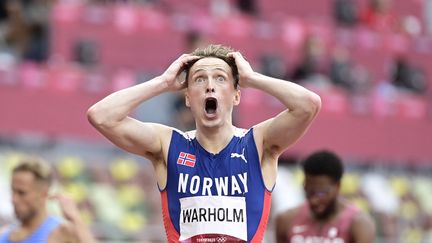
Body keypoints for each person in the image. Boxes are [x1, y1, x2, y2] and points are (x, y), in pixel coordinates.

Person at [87, 44, 321, 242]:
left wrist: (253, 79)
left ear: (236, 95)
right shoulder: (167, 145)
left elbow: (308, 105)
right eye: (200, 79)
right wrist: (162, 83)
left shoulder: (259, 143)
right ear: (188, 97)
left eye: (220, 78)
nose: (210, 85)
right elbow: (101, 116)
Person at [275, 150, 376, 243]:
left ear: (338, 186)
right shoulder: (286, 220)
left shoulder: (359, 224)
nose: (314, 200)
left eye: (321, 193)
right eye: (309, 192)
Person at [0, 156, 97, 243]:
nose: (14, 199)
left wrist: (75, 219)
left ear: (44, 194)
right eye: (13, 192)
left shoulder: (62, 232)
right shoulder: (4, 233)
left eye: (22, 193)